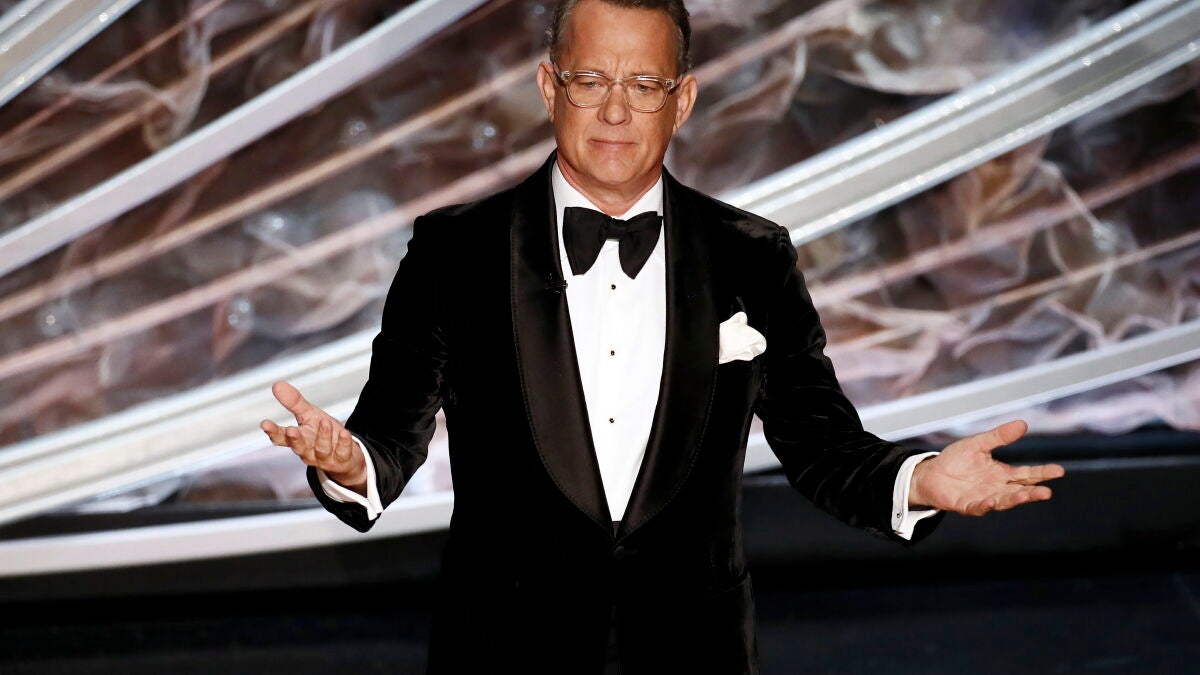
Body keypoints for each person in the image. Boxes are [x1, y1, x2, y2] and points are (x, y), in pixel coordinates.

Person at [260, 1, 1065, 672]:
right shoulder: (456, 250)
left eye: (644, 84)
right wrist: (349, 461)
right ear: (548, 86)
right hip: (504, 648)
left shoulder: (751, 255)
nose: (616, 111)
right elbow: (390, 434)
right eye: (590, 80)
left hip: (694, 651)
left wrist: (921, 478)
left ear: (682, 100)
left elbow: (822, 443)